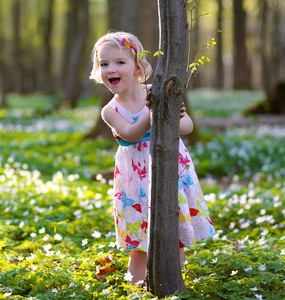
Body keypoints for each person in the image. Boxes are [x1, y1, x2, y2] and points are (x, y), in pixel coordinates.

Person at [89, 31, 215, 287]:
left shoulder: (155, 91)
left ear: (137, 67)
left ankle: (170, 284)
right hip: (135, 181)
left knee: (174, 231)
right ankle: (136, 288)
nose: (110, 69)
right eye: (104, 64)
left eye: (119, 62)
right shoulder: (110, 110)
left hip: (171, 172)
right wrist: (153, 110)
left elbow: (187, 127)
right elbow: (131, 134)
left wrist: (177, 112)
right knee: (140, 242)